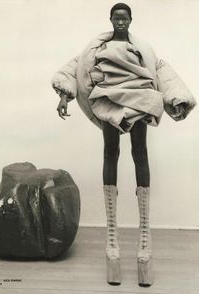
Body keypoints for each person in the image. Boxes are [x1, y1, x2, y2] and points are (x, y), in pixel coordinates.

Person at [51, 2, 196, 287]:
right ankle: (112, 238)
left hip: (140, 100)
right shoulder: (95, 49)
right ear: (111, 19)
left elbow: (162, 71)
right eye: (116, 18)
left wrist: (177, 97)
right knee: (111, 153)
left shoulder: (143, 48)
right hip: (108, 100)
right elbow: (75, 67)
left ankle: (145, 237)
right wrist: (64, 94)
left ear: (130, 20)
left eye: (124, 18)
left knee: (140, 153)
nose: (120, 22)